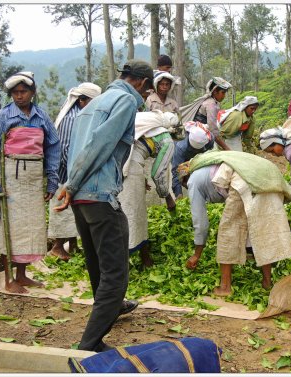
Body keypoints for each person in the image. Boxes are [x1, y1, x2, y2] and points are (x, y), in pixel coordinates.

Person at [54, 59, 154, 352]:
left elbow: (76, 149)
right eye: (147, 92)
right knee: (116, 275)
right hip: (98, 193)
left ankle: (113, 307)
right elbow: (100, 144)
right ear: (142, 83)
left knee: (97, 263)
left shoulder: (92, 105)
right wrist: (71, 186)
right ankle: (90, 344)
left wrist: (71, 186)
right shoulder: (124, 100)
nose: (145, 98)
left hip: (82, 197)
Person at [0, 71, 60, 294]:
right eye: (15, 92)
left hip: (33, 179)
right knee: (10, 229)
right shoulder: (2, 118)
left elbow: (53, 147)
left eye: (23, 91)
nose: (19, 96)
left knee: (30, 227)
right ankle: (8, 278)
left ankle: (22, 275)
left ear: (32, 93)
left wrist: (52, 180)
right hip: (10, 179)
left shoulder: (41, 117)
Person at [179, 151, 291, 296]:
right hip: (268, 178)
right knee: (262, 230)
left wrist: (197, 254)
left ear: (185, 178)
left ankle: (225, 287)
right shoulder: (213, 163)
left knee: (228, 232)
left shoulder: (193, 181)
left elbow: (200, 222)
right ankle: (267, 282)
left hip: (243, 182)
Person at [48, 82, 102, 261]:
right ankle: (57, 246)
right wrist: (74, 173)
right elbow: (65, 147)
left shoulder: (83, 114)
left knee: (73, 209)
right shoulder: (72, 118)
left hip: (74, 169)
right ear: (81, 100)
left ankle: (72, 244)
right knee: (63, 207)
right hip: (65, 171)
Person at [119, 110, 178, 267]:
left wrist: (141, 177)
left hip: (119, 165)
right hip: (130, 169)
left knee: (122, 212)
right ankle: (122, 264)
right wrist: (167, 197)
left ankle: (143, 258)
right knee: (133, 215)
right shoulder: (166, 140)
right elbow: (158, 172)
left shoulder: (146, 129)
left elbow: (134, 151)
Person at [180, 77, 232, 151]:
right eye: (223, 93)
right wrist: (226, 148)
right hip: (197, 138)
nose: (224, 96)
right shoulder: (211, 104)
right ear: (215, 92)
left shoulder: (211, 102)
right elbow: (213, 130)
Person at [171, 121, 215, 199]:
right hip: (183, 155)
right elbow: (176, 171)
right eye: (194, 150)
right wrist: (179, 194)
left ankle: (203, 193)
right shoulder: (181, 147)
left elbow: (210, 159)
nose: (196, 151)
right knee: (183, 176)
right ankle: (189, 190)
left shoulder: (209, 139)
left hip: (202, 156)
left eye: (198, 150)